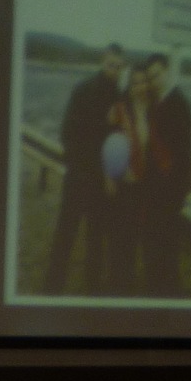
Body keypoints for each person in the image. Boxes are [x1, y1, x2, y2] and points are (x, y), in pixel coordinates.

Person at [41, 43, 123, 296]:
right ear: (102, 61)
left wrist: (111, 173)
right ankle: (52, 290)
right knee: (66, 235)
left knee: (95, 240)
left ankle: (92, 292)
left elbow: (117, 140)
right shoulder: (83, 90)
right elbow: (68, 133)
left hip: (101, 180)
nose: (114, 70)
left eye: (118, 67)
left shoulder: (120, 98)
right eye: (111, 65)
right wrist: (77, 168)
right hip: (79, 176)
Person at [144, 51, 191, 296]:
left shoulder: (178, 104)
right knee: (156, 248)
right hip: (156, 190)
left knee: (167, 251)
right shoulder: (158, 102)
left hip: (169, 192)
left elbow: (183, 156)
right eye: (150, 77)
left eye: (157, 75)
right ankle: (158, 293)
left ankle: (170, 298)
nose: (154, 81)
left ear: (167, 72)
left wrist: (176, 194)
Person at [104, 62, 152, 295]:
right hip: (123, 185)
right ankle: (116, 287)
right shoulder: (119, 110)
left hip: (145, 186)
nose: (140, 87)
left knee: (134, 239)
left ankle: (127, 288)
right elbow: (108, 143)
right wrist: (108, 176)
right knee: (118, 239)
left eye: (143, 82)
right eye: (135, 83)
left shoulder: (155, 111)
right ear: (129, 87)